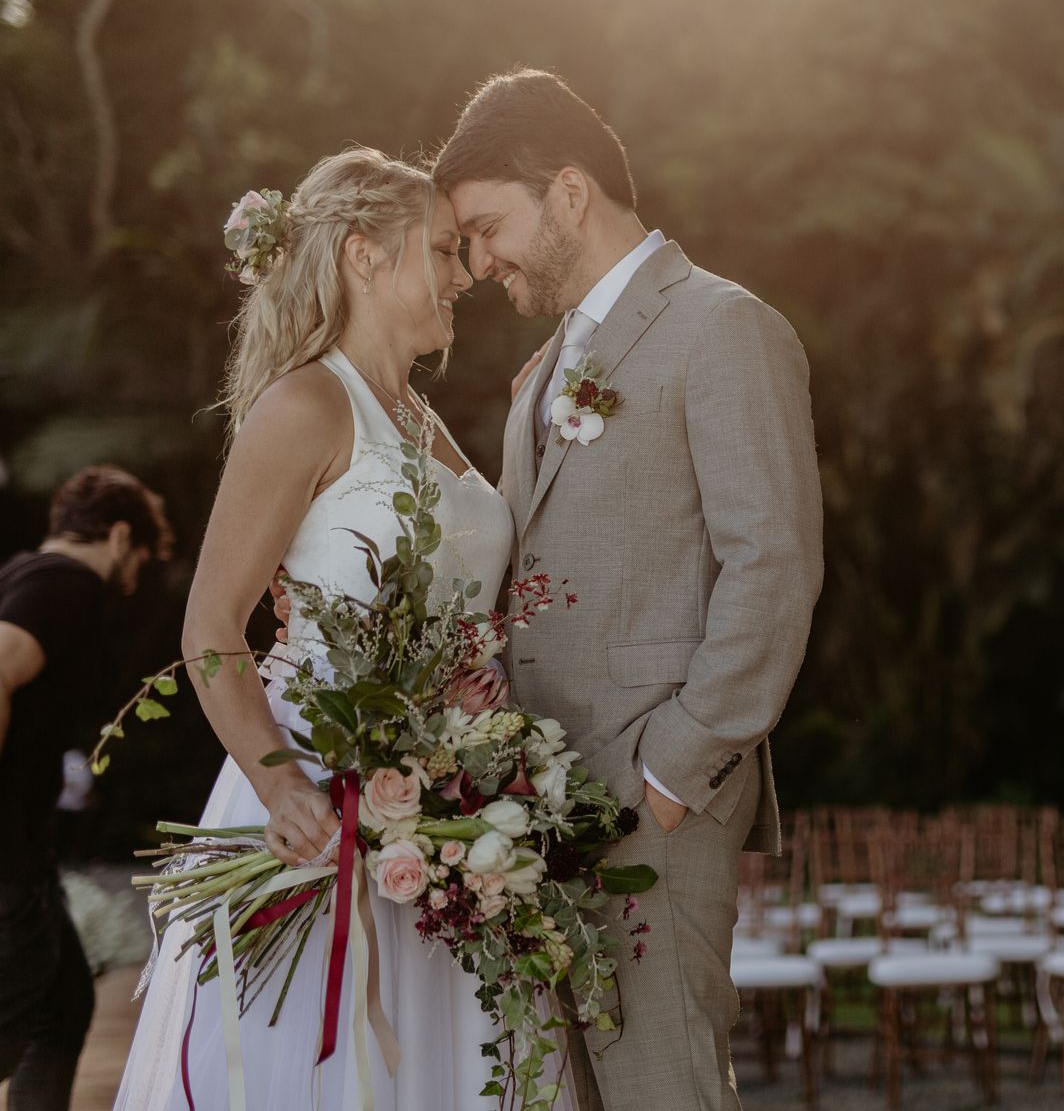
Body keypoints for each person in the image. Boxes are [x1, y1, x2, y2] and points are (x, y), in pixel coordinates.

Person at [112, 148, 552, 1110]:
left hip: (446, 801)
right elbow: (212, 624)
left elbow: (465, 584)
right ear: (361, 256)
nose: (463, 273)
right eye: (439, 250)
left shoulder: (425, 418)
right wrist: (280, 783)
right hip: (316, 795)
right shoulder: (305, 403)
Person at [434, 69, 824, 1110]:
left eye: (486, 227)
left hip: (656, 803)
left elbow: (774, 561)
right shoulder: (546, 364)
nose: (476, 263)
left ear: (569, 192)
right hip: (540, 810)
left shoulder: (722, 326)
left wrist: (675, 764)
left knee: (667, 1089)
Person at [0, 465, 171, 1110]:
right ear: (121, 535)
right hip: (6, 845)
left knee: (62, 1010)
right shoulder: (66, 584)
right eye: (143, 560)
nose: (137, 580)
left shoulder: (22, 573)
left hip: (24, 845)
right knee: (10, 1019)